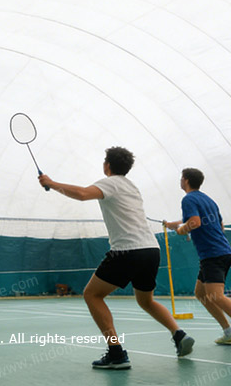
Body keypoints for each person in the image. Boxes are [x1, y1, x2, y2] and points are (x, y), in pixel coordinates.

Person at [38, 147, 194, 370]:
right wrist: (54, 186)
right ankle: (179, 334)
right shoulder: (133, 187)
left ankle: (116, 352)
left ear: (107, 165)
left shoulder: (111, 183)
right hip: (151, 250)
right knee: (145, 300)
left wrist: (51, 184)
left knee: (92, 294)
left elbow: (82, 194)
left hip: (127, 251)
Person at [165, 168, 231, 354]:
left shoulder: (188, 199)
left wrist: (182, 230)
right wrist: (175, 224)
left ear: (185, 180)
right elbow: (218, 225)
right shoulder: (208, 200)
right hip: (219, 252)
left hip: (213, 254)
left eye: (181, 178)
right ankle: (228, 332)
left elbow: (194, 222)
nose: (180, 180)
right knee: (201, 293)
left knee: (216, 295)